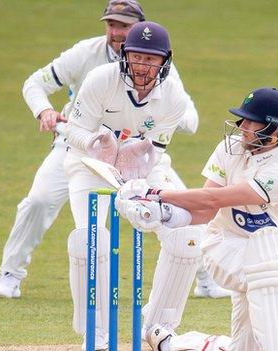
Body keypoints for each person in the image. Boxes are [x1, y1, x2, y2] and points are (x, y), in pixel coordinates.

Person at [0, 0, 228, 300]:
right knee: (39, 200)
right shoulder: (85, 54)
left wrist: (155, 122)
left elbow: (186, 118)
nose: (116, 32)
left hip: (135, 153)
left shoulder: (159, 64)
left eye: (124, 25)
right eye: (111, 24)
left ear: (139, 28)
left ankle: (207, 279)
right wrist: (44, 111)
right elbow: (35, 83)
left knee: (181, 211)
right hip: (78, 146)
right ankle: (10, 276)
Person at [62, 21, 219, 350]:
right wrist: (94, 141)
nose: (143, 66)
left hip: (143, 165)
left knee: (188, 234)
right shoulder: (100, 80)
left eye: (151, 59)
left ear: (165, 60)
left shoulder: (173, 97)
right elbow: (73, 131)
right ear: (125, 54)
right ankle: (98, 336)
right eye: (136, 57)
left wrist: (136, 169)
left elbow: (155, 149)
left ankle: (157, 329)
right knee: (92, 239)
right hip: (88, 162)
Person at [116, 87, 278, 351]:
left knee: (245, 346)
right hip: (225, 246)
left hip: (260, 258)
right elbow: (206, 211)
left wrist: (157, 195)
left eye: (252, 121)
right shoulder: (230, 150)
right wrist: (162, 212)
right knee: (272, 256)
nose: (242, 126)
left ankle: (170, 342)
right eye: (243, 119)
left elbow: (212, 200)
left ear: (274, 132)